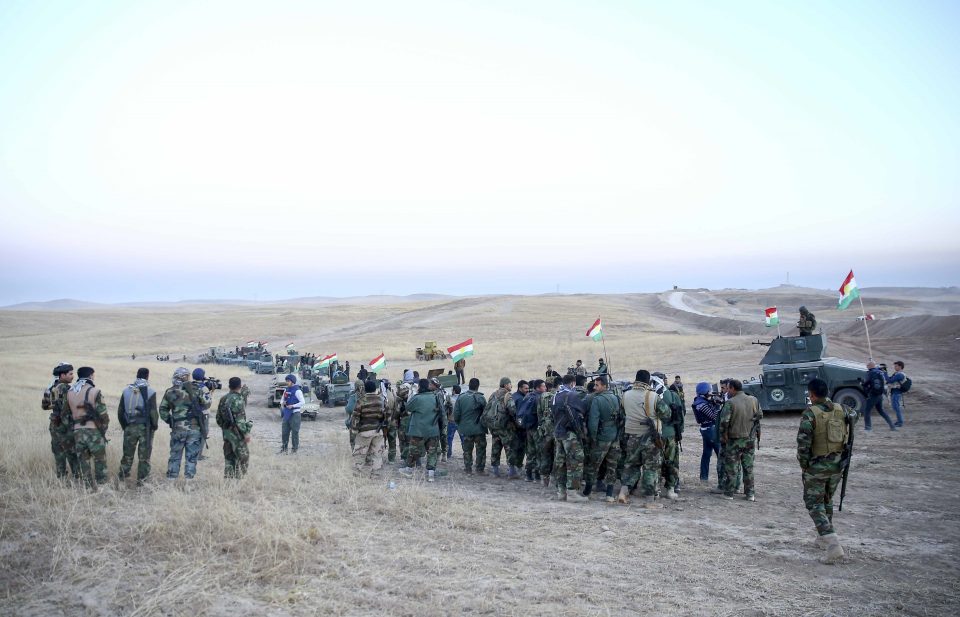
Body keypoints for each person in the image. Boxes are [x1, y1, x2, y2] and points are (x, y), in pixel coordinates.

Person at [797, 378, 858, 564]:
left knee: (814, 504)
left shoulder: (810, 414)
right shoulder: (843, 409)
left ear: (812, 394)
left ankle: (833, 545)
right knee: (826, 500)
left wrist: (805, 465)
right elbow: (855, 416)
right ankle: (822, 538)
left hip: (817, 466)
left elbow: (803, 444)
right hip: (838, 464)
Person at [618, 370, 671, 506]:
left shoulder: (625, 395)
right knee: (650, 468)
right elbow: (666, 414)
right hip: (650, 438)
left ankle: (623, 492)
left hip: (631, 436)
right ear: (648, 381)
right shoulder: (652, 396)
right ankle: (649, 500)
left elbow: (623, 413)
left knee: (631, 466)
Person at [159, 367, 209, 482]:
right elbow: (206, 404)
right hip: (194, 429)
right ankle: (189, 483)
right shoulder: (196, 389)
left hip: (178, 429)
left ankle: (171, 481)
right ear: (186, 377)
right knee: (191, 457)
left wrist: (171, 421)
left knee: (175, 456)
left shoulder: (170, 391)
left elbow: (162, 410)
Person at [718, 379, 762, 501]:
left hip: (734, 440)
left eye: (728, 388)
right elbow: (760, 415)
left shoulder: (730, 403)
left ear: (732, 388)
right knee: (748, 467)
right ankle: (750, 494)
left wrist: (723, 437)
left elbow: (724, 422)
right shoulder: (754, 400)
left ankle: (729, 493)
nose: (728, 391)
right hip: (749, 439)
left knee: (732, 467)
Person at [67, 367, 109, 489]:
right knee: (100, 460)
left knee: (83, 462)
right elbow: (103, 415)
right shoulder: (95, 391)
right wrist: (103, 430)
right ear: (90, 376)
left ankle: (88, 488)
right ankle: (102, 488)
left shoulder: (70, 392)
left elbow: (66, 415)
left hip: (77, 432)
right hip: (94, 430)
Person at [117, 367, 158, 486]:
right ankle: (142, 482)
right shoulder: (150, 391)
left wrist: (125, 426)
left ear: (136, 375)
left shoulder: (126, 391)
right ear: (147, 376)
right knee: (144, 457)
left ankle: (122, 480)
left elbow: (120, 412)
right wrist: (154, 426)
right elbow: (153, 412)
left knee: (127, 455)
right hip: (145, 428)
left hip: (130, 426)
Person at [400, 379, 445, 482]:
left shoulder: (417, 398)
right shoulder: (436, 397)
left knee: (413, 451)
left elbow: (408, 408)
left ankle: (409, 470)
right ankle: (431, 474)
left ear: (420, 387)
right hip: (433, 430)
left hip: (418, 430)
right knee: (432, 452)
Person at [552, 374, 588, 502]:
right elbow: (583, 410)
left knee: (560, 462)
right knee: (576, 461)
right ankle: (572, 493)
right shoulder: (572, 395)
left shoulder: (556, 395)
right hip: (569, 434)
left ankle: (561, 492)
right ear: (573, 383)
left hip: (558, 433)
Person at [584, 376, 620, 502]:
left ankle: (587, 491)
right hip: (614, 436)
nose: (594, 387)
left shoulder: (597, 400)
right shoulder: (615, 398)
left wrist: (592, 437)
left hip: (601, 437)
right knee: (612, 465)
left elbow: (593, 422)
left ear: (604, 386)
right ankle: (609, 494)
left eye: (597, 385)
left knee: (593, 465)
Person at [42, 362, 80, 480]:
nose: (72, 376)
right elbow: (72, 407)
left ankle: (61, 478)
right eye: (70, 374)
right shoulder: (67, 388)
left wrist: (55, 408)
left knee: (58, 453)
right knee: (72, 453)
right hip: (66, 425)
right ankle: (77, 478)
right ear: (62, 375)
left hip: (54, 423)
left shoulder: (51, 387)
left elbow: (44, 406)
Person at [654, 372, 684, 499]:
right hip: (671, 434)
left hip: (655, 435)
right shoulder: (672, 395)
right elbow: (680, 417)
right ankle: (671, 488)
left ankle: (656, 489)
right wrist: (679, 433)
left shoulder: (650, 395)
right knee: (671, 461)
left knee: (655, 462)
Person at [217, 377, 252, 478]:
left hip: (227, 433)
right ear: (239, 386)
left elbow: (218, 418)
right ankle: (240, 478)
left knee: (229, 458)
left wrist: (225, 428)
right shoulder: (238, 399)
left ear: (229, 386)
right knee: (243, 457)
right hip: (237, 434)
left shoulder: (223, 398)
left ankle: (228, 479)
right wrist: (245, 433)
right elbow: (240, 421)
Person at [352, 379, 386, 478]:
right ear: (375, 389)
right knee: (377, 453)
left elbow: (356, 416)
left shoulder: (361, 400)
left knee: (360, 453)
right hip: (378, 431)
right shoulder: (381, 400)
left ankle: (357, 474)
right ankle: (375, 474)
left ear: (365, 389)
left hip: (364, 431)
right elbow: (386, 415)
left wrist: (355, 430)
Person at [453, 378, 487, 474]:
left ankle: (468, 468)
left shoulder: (461, 397)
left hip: (466, 428)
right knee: (481, 449)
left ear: (469, 385)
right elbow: (486, 414)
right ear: (478, 386)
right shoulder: (481, 398)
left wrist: (459, 423)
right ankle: (480, 469)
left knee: (467, 450)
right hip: (479, 429)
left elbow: (456, 414)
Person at [692, 382, 722, 485]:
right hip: (711, 430)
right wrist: (717, 405)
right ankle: (722, 481)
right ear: (705, 391)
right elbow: (714, 416)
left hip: (706, 430)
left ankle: (704, 477)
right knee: (720, 454)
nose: (710, 393)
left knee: (706, 454)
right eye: (709, 391)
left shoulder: (699, 401)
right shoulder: (702, 404)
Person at [489, 377, 518, 478]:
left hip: (494, 427)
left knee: (495, 448)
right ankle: (512, 472)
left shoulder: (493, 395)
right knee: (509, 448)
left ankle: (495, 471)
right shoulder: (507, 395)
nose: (511, 386)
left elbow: (487, 409)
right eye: (510, 384)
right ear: (506, 385)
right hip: (505, 427)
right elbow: (512, 410)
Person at [522, 380, 546, 482]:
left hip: (528, 428)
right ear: (538, 387)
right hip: (536, 428)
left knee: (530, 452)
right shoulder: (540, 398)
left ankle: (528, 475)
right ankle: (537, 475)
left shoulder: (527, 396)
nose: (545, 388)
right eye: (543, 386)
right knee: (538, 452)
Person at [537, 378, 559, 486]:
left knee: (545, 454)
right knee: (557, 455)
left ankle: (544, 478)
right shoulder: (560, 395)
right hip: (557, 430)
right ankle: (553, 478)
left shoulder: (542, 397)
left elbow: (539, 414)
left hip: (545, 430)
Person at [862, 361, 896, 431]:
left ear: (870, 366)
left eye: (867, 365)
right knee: (881, 411)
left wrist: (862, 384)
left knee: (867, 411)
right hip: (880, 395)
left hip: (873, 394)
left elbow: (866, 382)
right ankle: (892, 426)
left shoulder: (870, 373)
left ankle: (868, 427)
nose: (867, 366)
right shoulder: (880, 372)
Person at [280, 374, 304, 453]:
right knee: (285, 432)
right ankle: (284, 448)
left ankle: (294, 449)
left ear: (292, 382)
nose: (287, 382)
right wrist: (283, 403)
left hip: (295, 414)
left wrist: (293, 406)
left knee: (295, 432)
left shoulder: (297, 391)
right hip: (287, 413)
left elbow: (302, 402)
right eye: (286, 381)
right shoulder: (286, 390)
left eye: (288, 381)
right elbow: (282, 400)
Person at [886, 361, 908, 428]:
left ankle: (900, 422)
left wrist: (884, 373)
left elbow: (889, 380)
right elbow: (889, 380)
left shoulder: (900, 375)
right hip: (895, 392)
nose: (894, 367)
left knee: (896, 407)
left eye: (896, 366)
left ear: (900, 366)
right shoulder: (897, 374)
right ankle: (899, 421)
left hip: (896, 392)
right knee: (896, 407)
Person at [446, 384, 462, 456]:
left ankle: (449, 453)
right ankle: (466, 453)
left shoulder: (450, 399)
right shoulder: (462, 399)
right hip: (461, 422)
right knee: (463, 438)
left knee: (449, 438)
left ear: (454, 391)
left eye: (452, 390)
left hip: (451, 421)